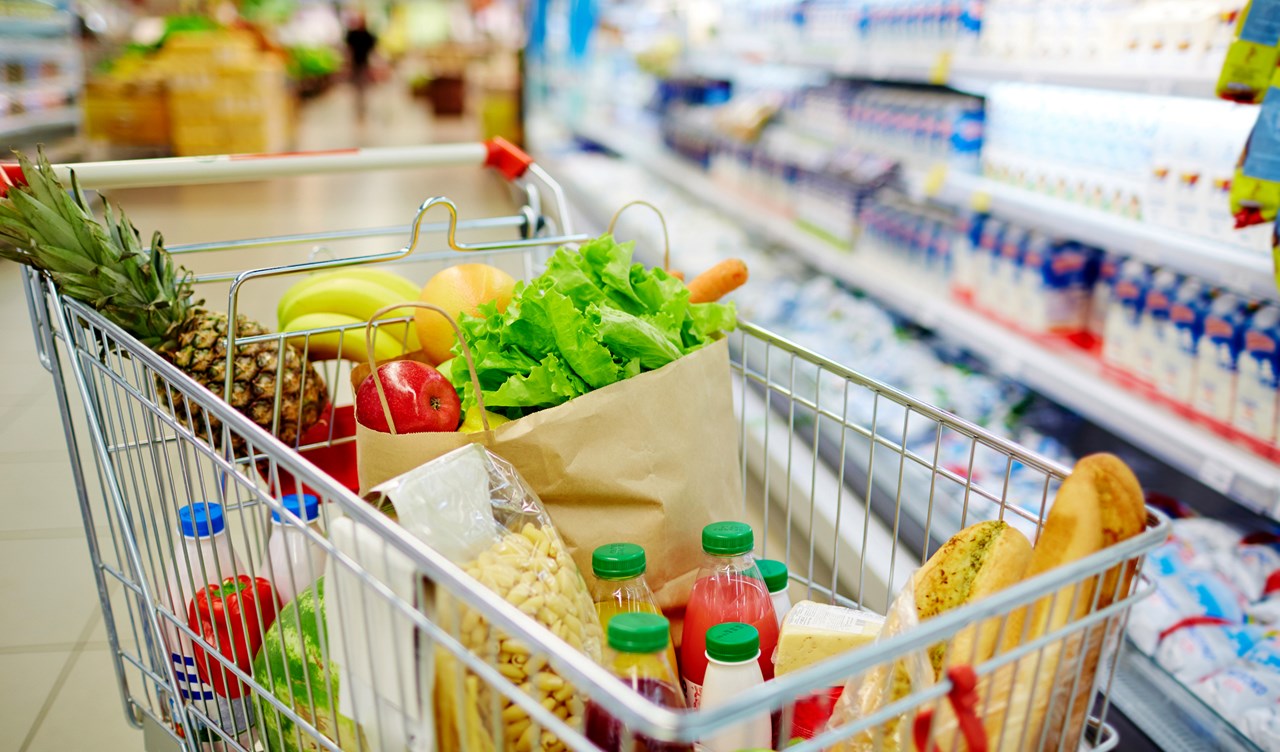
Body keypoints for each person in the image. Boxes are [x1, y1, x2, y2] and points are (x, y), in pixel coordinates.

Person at [344, 14, 377, 117]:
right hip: (355, 64)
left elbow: (373, 48)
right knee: (356, 88)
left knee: (363, 88)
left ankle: (362, 107)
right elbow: (348, 48)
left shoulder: (368, 35)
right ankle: (358, 106)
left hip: (364, 64)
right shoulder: (353, 35)